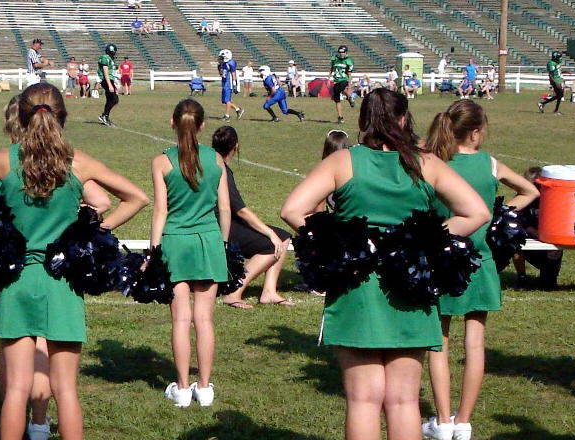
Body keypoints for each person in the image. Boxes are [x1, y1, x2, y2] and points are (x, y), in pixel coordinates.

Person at [0, 82, 148, 440]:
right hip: (62, 282)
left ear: (20, 115)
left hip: (16, 281)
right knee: (66, 390)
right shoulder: (77, 161)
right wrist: (90, 233)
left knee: (16, 389)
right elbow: (137, 198)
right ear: (62, 117)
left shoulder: (6, 159)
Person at [280, 89, 490, 440]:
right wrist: (421, 242)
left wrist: (343, 244)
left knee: (363, 400)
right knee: (404, 400)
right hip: (411, 287)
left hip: (357, 288)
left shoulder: (343, 161)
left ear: (364, 121)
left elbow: (291, 210)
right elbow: (477, 212)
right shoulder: (425, 163)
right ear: (404, 119)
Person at [421, 99, 538, 440]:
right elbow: (529, 190)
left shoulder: (434, 161)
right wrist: (500, 214)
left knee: (438, 340)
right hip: (480, 261)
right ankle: (464, 422)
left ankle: (443, 422)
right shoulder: (489, 164)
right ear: (475, 132)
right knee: (475, 342)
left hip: (440, 259)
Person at [149, 99, 230, 408]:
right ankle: (205, 388)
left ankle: (182, 388)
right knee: (204, 319)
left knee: (181, 319)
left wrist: (154, 250)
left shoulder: (161, 162)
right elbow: (225, 208)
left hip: (175, 242)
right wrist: (224, 244)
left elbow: (160, 210)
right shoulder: (216, 159)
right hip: (209, 241)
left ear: (173, 123)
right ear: (202, 125)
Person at [212, 126, 293, 309]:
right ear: (236, 146)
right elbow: (241, 211)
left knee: (283, 236)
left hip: (223, 222)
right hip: (220, 226)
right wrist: (269, 233)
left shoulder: (213, 166)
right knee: (273, 243)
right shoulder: (222, 170)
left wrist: (273, 233)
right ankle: (234, 292)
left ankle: (269, 292)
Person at [330, 46, 354, 123]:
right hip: (336, 80)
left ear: (346, 52)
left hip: (344, 79)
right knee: (337, 100)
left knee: (341, 87)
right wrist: (329, 77)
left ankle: (349, 96)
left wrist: (349, 84)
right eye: (340, 52)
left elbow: (349, 74)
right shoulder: (334, 59)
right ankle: (340, 117)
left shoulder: (349, 61)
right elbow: (331, 68)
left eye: (343, 52)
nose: (341, 54)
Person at [97, 44, 119, 127]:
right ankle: (104, 115)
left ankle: (105, 117)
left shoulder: (109, 58)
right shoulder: (105, 58)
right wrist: (109, 84)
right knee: (114, 99)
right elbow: (105, 71)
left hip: (109, 80)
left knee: (110, 99)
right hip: (107, 80)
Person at [539, 51, 566, 115]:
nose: (560, 58)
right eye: (559, 57)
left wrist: (563, 74)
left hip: (559, 79)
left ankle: (543, 104)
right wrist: (554, 82)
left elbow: (557, 70)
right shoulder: (551, 63)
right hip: (555, 80)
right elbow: (551, 74)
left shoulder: (557, 62)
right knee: (560, 95)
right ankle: (554, 110)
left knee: (560, 95)